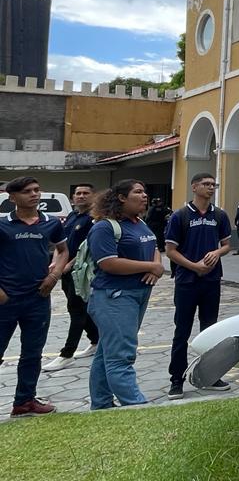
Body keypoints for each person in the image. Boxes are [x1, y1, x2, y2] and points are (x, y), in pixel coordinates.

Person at [86, 179, 162, 410]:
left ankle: (101, 406)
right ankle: (137, 406)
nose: (144, 196)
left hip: (137, 294)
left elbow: (155, 248)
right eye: (138, 192)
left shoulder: (140, 223)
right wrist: (148, 267)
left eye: (144, 191)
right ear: (121, 198)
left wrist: (155, 267)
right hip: (115, 296)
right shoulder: (104, 227)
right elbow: (108, 263)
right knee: (121, 355)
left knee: (106, 352)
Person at [0, 176, 69, 417]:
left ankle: (24, 402)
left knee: (32, 353)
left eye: (37, 190)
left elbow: (63, 250)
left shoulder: (51, 223)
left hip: (38, 299)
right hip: (5, 301)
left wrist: (55, 275)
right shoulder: (2, 224)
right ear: (12, 197)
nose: (34, 194)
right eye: (27, 191)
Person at [164, 172, 232, 400]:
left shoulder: (219, 215)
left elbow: (226, 245)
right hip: (187, 281)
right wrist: (194, 266)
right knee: (181, 331)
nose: (210, 188)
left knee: (210, 329)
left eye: (213, 184)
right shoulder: (180, 216)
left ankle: (210, 375)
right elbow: (171, 251)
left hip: (211, 281)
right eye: (206, 184)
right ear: (194, 187)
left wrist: (216, 252)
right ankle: (176, 379)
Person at [43, 182, 99, 371]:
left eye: (85, 193)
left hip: (81, 272)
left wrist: (67, 265)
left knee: (77, 311)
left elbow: (88, 248)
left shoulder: (95, 218)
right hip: (65, 271)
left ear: (93, 195)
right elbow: (63, 245)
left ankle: (67, 354)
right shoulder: (72, 216)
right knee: (79, 308)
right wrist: (56, 263)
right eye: (78, 193)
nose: (81, 196)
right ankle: (96, 340)